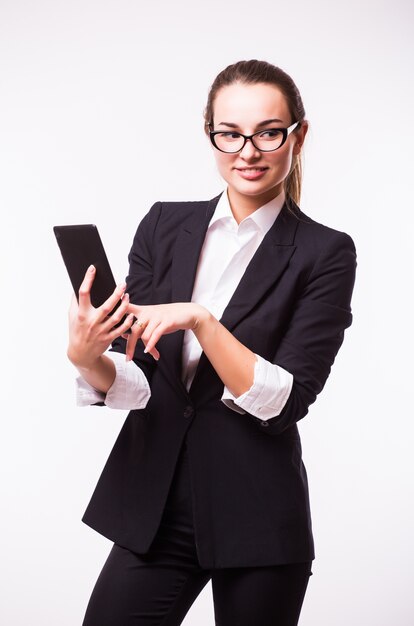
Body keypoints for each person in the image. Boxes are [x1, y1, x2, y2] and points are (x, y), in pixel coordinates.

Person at [68, 60, 356, 626]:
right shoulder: (163, 226)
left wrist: (202, 320)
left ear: (298, 135)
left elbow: (284, 400)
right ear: (211, 135)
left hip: (257, 515)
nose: (247, 151)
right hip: (155, 506)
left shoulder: (326, 253)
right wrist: (86, 357)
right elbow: (142, 383)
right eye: (230, 133)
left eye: (268, 132)